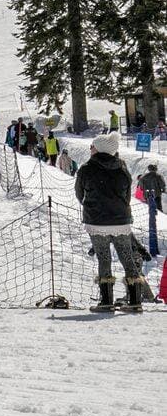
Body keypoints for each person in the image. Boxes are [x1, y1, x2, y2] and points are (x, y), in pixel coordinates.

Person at [75, 133, 145, 312]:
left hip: (97, 222)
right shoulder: (122, 168)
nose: (90, 148)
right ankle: (135, 301)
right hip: (121, 221)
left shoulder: (86, 168)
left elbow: (79, 194)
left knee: (104, 259)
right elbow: (127, 196)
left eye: (92, 146)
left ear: (99, 149)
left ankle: (106, 301)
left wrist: (91, 206)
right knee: (127, 258)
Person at [141, 163, 165, 259]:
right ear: (155, 169)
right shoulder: (158, 176)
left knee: (150, 208)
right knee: (158, 210)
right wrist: (162, 189)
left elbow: (141, 186)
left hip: (148, 196)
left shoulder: (144, 177)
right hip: (157, 195)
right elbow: (162, 185)